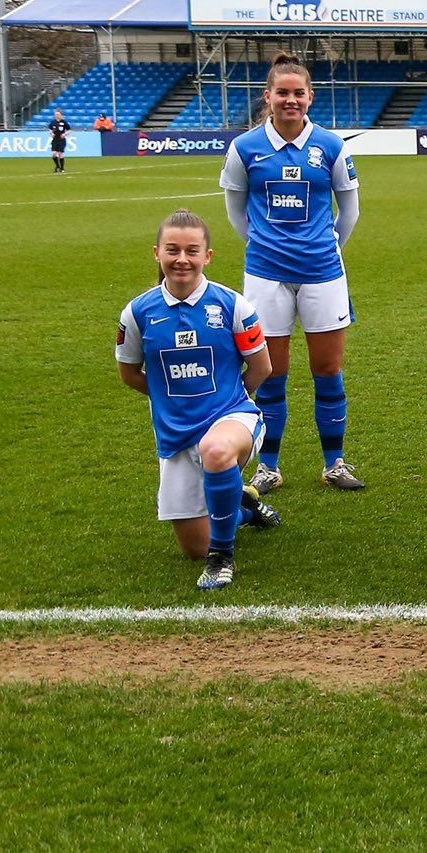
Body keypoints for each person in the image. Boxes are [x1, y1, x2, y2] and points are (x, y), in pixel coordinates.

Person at [219, 52, 365, 493]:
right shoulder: (245, 147)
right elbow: (235, 211)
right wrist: (264, 245)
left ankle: (334, 462)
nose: (290, 100)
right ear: (268, 97)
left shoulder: (331, 146)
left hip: (322, 272)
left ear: (310, 97)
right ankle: (268, 467)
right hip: (266, 274)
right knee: (270, 371)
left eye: (298, 93)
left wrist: (325, 246)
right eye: (282, 92)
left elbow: (350, 210)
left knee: (327, 367)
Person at [116, 209, 280, 591]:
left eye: (192, 250)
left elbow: (262, 367)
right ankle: (243, 506)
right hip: (175, 434)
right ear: (157, 253)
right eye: (172, 250)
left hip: (232, 419)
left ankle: (221, 556)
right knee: (192, 545)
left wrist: (230, 401)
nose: (182, 259)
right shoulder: (138, 312)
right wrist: (171, 404)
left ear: (208, 256)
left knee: (217, 450)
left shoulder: (233, 305)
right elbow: (129, 374)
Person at [48, 108, 71, 173]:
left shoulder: (64, 122)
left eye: (58, 114)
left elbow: (69, 130)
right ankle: (58, 165)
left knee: (60, 153)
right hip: (55, 139)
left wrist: (65, 134)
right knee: (53, 154)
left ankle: (62, 168)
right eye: (56, 114)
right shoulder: (53, 122)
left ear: (61, 115)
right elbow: (50, 129)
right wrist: (51, 133)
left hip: (61, 140)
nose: (56, 115)